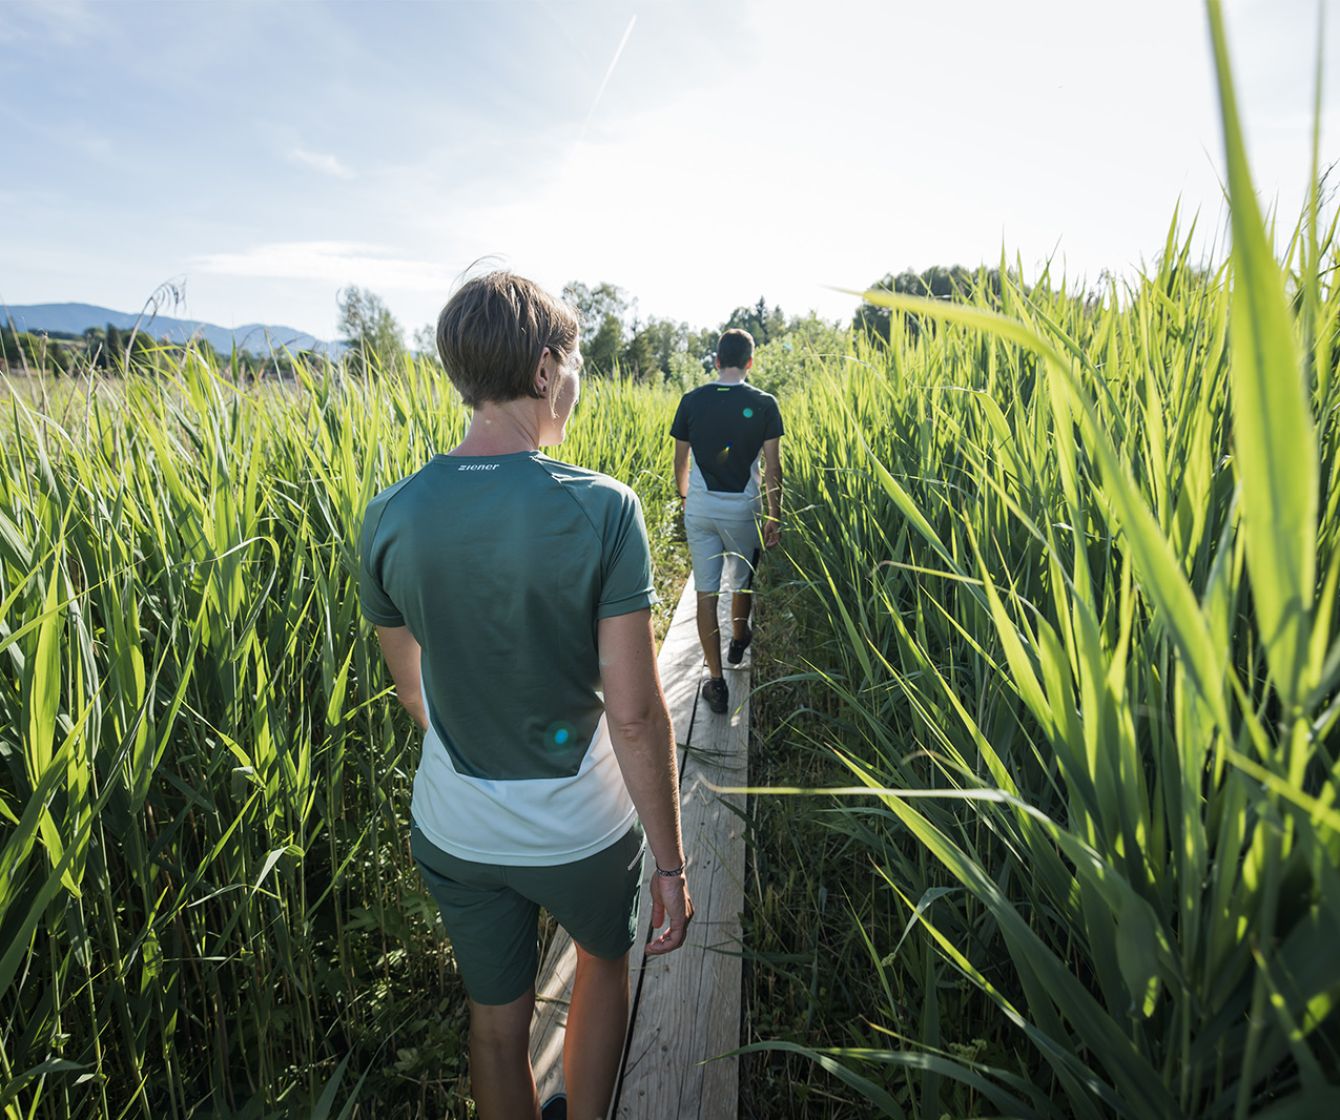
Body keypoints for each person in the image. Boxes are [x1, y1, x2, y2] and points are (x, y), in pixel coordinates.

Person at [357, 272, 693, 1120]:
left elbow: (415, 690)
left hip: (456, 826)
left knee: (494, 1024)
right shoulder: (605, 511)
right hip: (581, 828)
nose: (575, 380)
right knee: (603, 965)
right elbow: (636, 714)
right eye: (574, 362)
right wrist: (672, 863)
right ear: (546, 371)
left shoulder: (388, 514)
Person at [670, 328, 784, 714]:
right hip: (743, 509)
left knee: (705, 593)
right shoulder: (765, 403)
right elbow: (773, 469)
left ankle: (716, 684)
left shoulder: (691, 400)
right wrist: (774, 516)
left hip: (700, 508)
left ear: (716, 361)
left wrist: (687, 499)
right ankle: (738, 638)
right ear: (750, 362)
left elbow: (680, 463)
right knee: (741, 579)